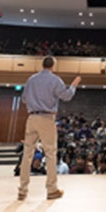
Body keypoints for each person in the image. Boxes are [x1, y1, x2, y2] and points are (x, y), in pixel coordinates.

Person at [18, 56, 82, 201]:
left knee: (27, 154)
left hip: (31, 117)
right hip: (46, 118)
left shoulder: (31, 79)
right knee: (51, 153)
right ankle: (51, 189)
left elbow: (24, 99)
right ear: (53, 65)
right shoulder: (55, 80)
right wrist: (73, 85)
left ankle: (22, 190)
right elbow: (66, 96)